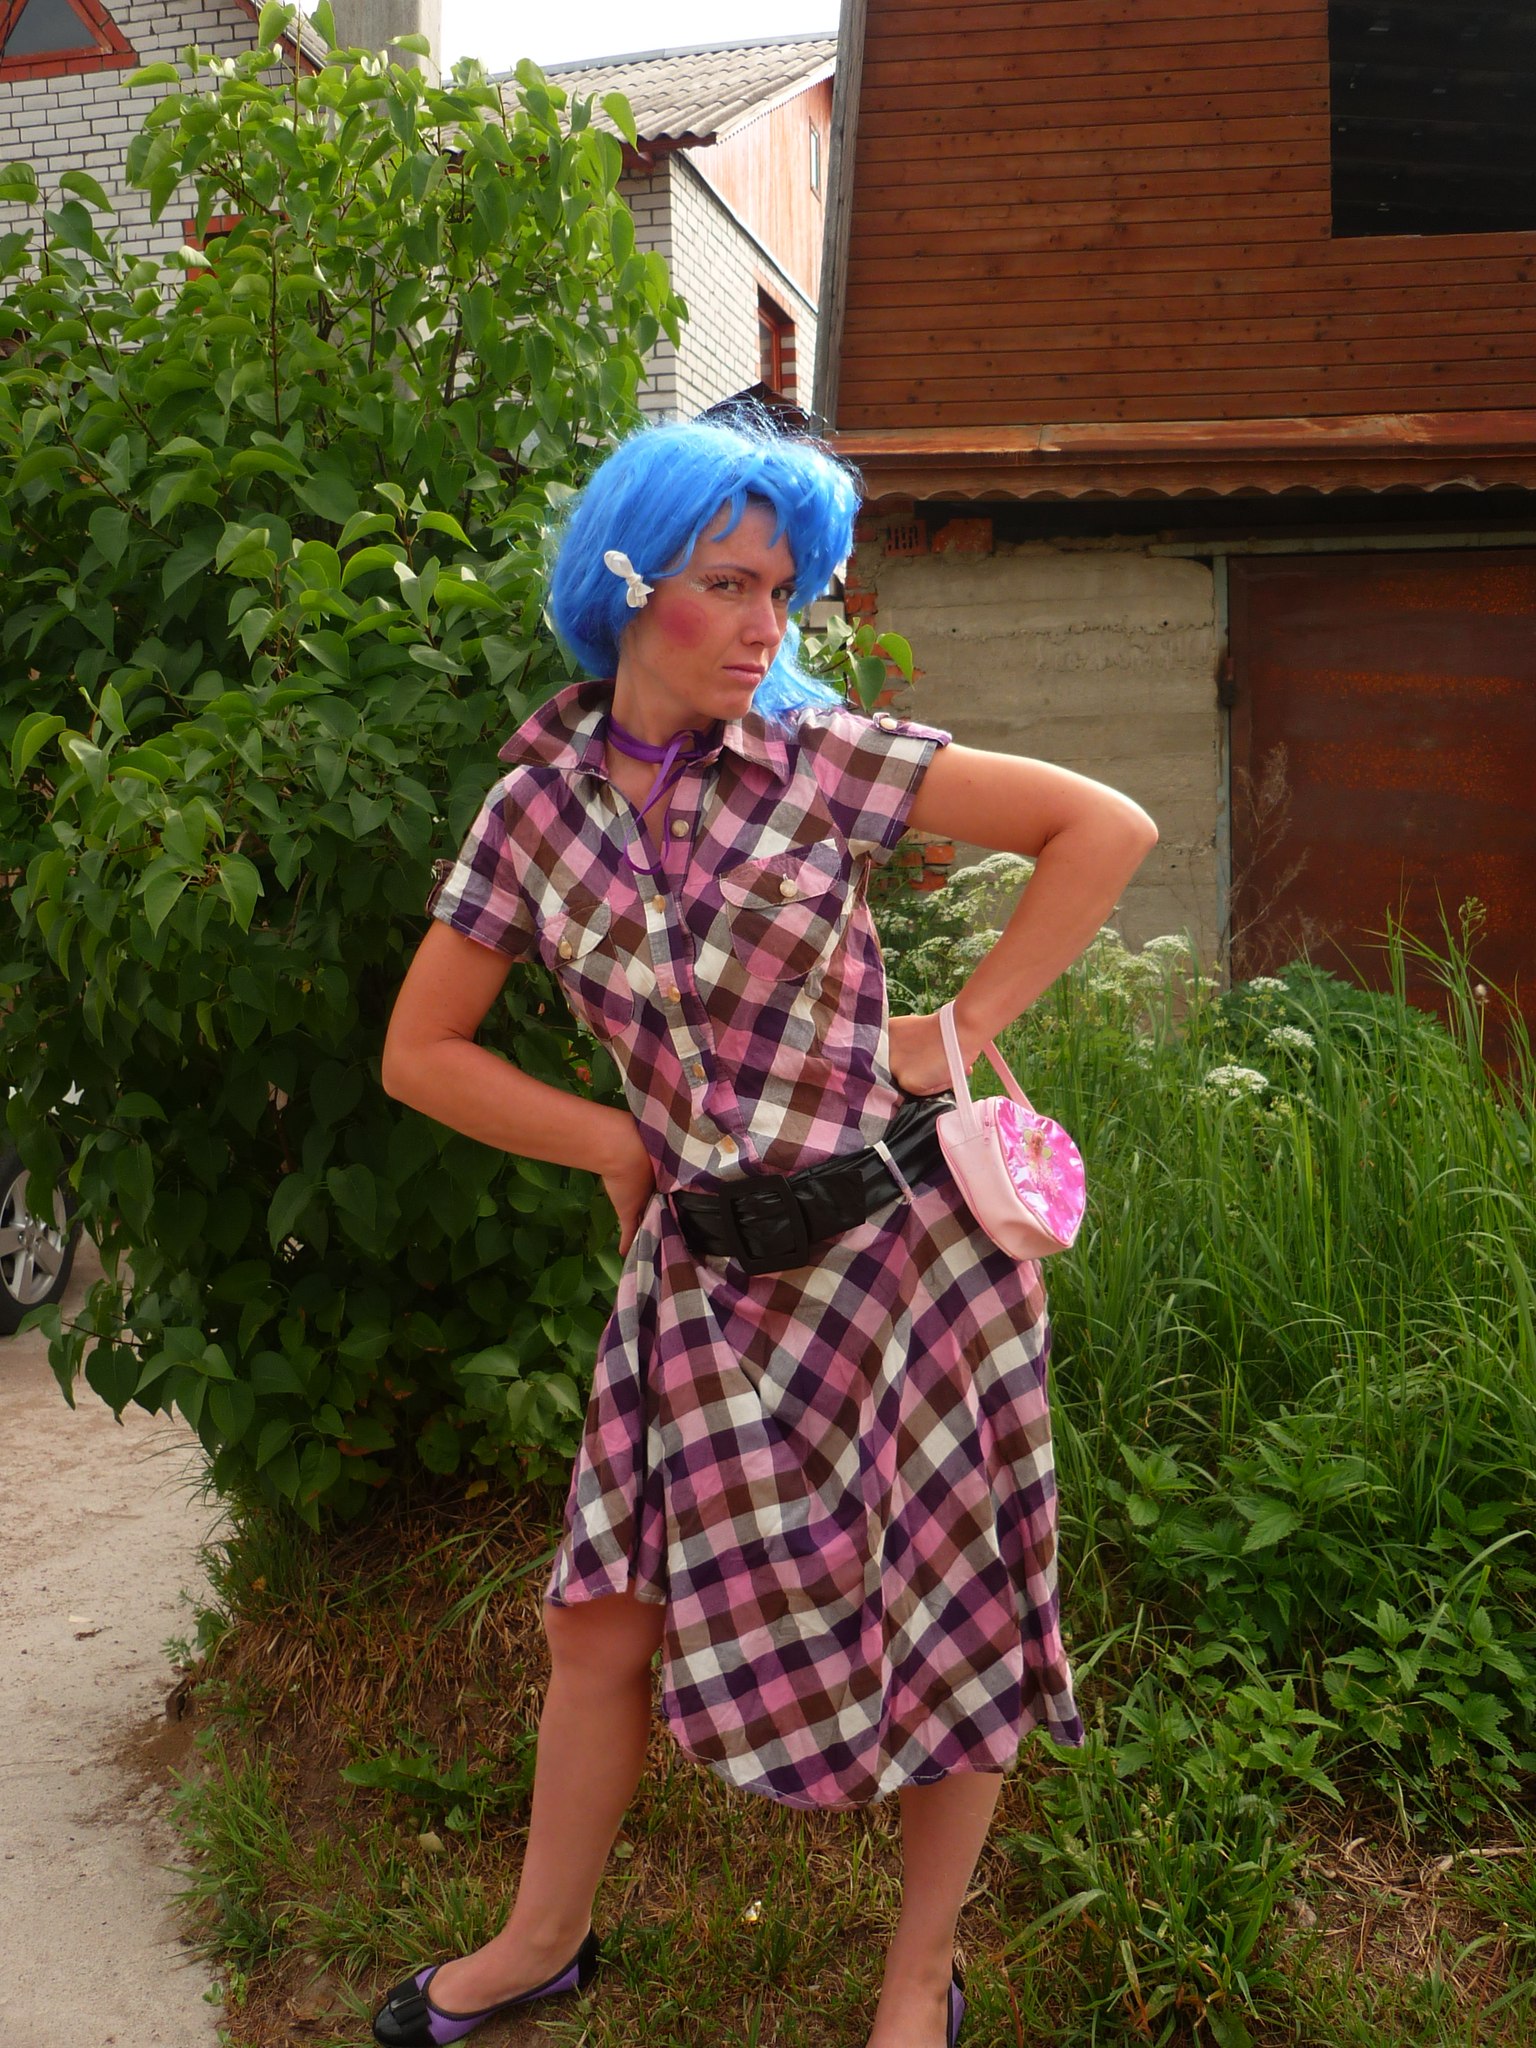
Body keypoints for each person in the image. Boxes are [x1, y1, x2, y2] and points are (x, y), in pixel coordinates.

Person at [373, 412, 1157, 2048]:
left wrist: (960, 1026)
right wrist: (612, 1138)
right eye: (727, 584)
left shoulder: (824, 760)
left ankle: (917, 1978)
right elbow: (421, 1051)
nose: (762, 627)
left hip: (903, 1263)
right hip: (702, 1281)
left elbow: (1103, 827)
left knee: (952, 1609)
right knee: (597, 1619)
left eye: (781, 594)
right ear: (626, 584)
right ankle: (539, 1942)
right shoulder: (533, 819)